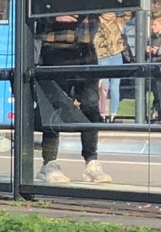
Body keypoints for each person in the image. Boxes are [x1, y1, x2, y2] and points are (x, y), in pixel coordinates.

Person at [36, 14, 111, 184]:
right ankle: (49, 163)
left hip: (85, 48)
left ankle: (91, 161)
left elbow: (124, 2)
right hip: (55, 48)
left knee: (91, 105)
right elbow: (31, 8)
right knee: (54, 106)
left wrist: (112, 12)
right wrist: (53, 16)